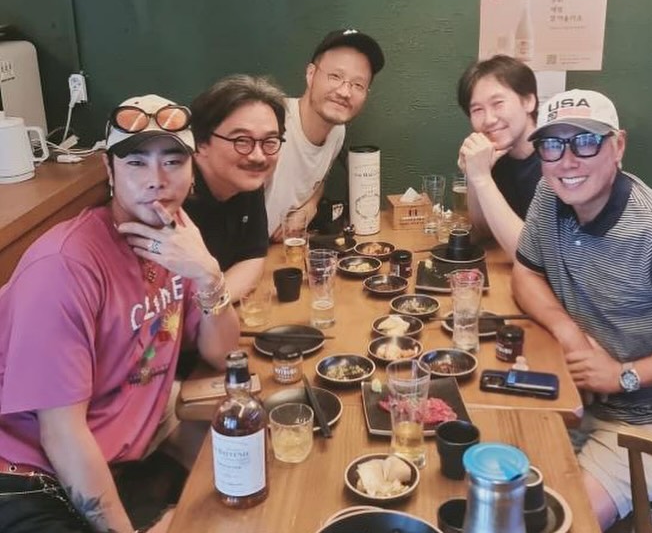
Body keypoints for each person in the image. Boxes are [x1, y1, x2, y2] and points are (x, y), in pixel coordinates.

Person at [0, 94, 240, 533]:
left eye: (172, 161)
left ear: (192, 170)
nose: (156, 180)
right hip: (28, 476)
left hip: (118, 455)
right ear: (109, 171)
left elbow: (222, 355)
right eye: (136, 163)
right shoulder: (65, 265)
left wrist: (209, 276)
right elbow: (61, 435)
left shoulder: (180, 238)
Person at [512, 89, 652, 530]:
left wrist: (623, 375)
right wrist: (570, 335)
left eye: (586, 142)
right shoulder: (550, 196)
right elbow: (525, 273)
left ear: (618, 146)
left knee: (558, 522)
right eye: (552, 145)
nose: (567, 161)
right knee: (483, 473)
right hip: (581, 394)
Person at [264, 28, 384, 240]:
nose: (344, 92)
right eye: (335, 76)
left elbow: (318, 178)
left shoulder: (337, 131)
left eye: (358, 85)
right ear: (311, 74)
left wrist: (309, 206)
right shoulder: (272, 121)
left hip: (279, 253)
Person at [188, 74, 286, 303]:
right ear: (201, 143)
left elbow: (252, 257)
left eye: (270, 141)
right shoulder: (171, 192)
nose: (258, 156)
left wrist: (213, 305)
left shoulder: (246, 180)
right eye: (241, 140)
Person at [456, 55, 540, 256]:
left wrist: (482, 178)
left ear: (528, 101)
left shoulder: (558, 160)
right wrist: (475, 174)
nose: (489, 120)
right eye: (477, 109)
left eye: (498, 103)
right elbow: (484, 229)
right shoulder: (495, 154)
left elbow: (531, 255)